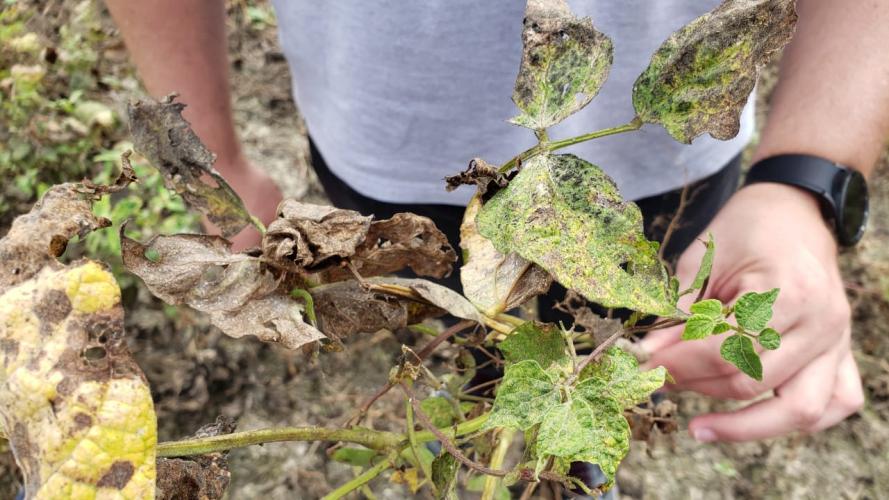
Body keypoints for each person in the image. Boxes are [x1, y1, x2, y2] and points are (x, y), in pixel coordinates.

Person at [106, 0, 889, 452]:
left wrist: (806, 178)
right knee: (460, 330)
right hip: (385, 160)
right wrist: (210, 171)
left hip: (663, 170)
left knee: (609, 348)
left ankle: (567, 452)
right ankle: (499, 414)